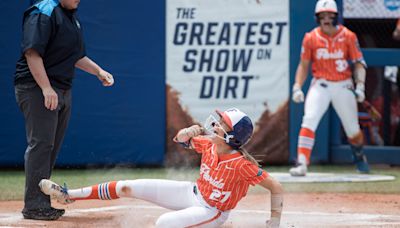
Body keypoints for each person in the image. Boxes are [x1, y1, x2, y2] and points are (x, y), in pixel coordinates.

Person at [39, 108, 284, 227]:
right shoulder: (209, 144)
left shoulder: (241, 165)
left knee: (164, 223)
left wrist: (275, 220)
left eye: (223, 124)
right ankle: (68, 195)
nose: (217, 125)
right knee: (127, 186)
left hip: (213, 211)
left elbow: (276, 187)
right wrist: (188, 132)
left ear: (233, 137)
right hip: (193, 193)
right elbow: (179, 139)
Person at [14, 0, 114, 220]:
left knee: (51, 146)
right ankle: (34, 205)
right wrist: (46, 88)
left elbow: (76, 56)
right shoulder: (44, 11)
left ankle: (41, 200)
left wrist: (99, 71)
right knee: (41, 144)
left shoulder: (71, 18)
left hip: (62, 89)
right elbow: (32, 53)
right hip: (37, 88)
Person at [289, 0, 370, 176]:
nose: (326, 19)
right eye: (322, 16)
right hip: (321, 84)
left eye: (329, 16)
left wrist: (361, 85)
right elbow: (303, 65)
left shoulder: (348, 35)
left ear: (336, 16)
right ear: (317, 18)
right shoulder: (310, 37)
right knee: (309, 119)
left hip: (343, 84)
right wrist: (297, 86)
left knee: (353, 130)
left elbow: (358, 63)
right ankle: (302, 163)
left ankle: (359, 157)